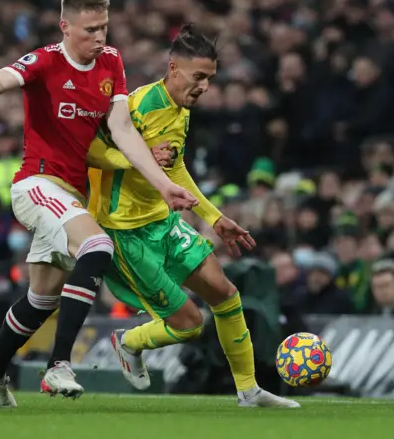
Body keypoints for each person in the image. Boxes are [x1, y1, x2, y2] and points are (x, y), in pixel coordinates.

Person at [0, 0, 198, 407]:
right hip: (36, 184)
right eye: (90, 29)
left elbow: (123, 129)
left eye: (104, 27)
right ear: (65, 27)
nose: (99, 38)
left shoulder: (111, 62)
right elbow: (6, 75)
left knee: (42, 298)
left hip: (71, 194)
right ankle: (58, 365)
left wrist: (164, 184)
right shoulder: (47, 60)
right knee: (97, 245)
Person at [85, 24, 299, 408]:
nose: (203, 86)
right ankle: (128, 341)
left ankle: (249, 390)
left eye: (210, 79)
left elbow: (176, 169)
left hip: (161, 221)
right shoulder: (136, 105)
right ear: (173, 68)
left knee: (225, 292)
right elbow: (89, 152)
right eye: (198, 76)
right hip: (123, 230)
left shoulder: (180, 112)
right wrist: (141, 159)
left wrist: (214, 217)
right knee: (188, 325)